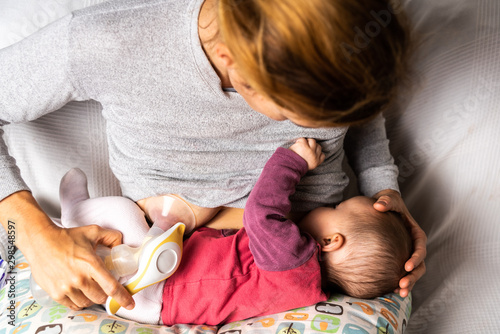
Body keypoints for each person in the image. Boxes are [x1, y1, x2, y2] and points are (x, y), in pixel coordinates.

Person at [0, 0, 426, 311]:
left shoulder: (354, 24)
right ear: (231, 64)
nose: (325, 127)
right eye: (305, 116)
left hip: (321, 284)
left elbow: (362, 113)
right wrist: (36, 236)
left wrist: (384, 199)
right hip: (149, 269)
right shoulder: (104, 43)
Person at [57, 138, 412, 325]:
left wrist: (294, 162)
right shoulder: (306, 288)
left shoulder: (294, 257)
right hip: (157, 302)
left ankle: (73, 214)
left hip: (153, 285)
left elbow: (262, 212)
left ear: (330, 242)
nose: (329, 206)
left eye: (336, 208)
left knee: (122, 213)